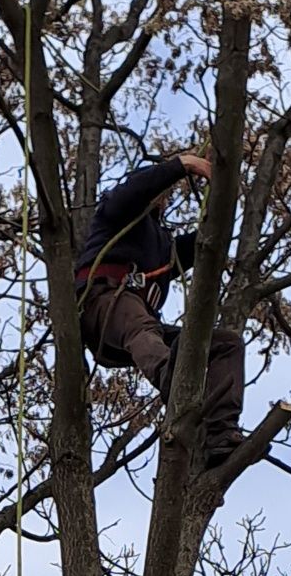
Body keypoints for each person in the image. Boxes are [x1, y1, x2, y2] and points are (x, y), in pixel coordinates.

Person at [75, 148, 246, 464]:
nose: (161, 196)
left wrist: (225, 203)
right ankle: (174, 381)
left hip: (137, 329)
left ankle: (219, 432)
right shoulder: (117, 211)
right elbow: (134, 191)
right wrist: (183, 165)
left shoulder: (163, 244)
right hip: (103, 305)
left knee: (226, 344)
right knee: (141, 325)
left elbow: (204, 245)